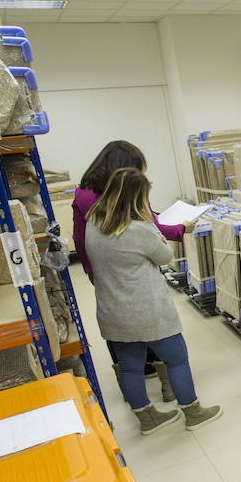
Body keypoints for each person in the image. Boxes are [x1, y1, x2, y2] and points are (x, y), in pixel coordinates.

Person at [85, 167, 221, 434]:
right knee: (177, 360)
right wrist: (154, 227)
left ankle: (147, 419)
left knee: (131, 368)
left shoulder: (93, 224)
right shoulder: (137, 228)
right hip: (149, 310)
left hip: (113, 310)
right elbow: (164, 258)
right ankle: (193, 413)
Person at [73, 141, 187, 401]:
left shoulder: (83, 194)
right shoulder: (127, 195)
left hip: (105, 276)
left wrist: (95, 273)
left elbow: (79, 239)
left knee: (124, 346)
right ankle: (171, 389)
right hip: (140, 278)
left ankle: (138, 403)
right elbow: (152, 232)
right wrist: (181, 229)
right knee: (162, 336)